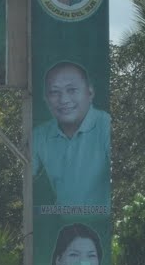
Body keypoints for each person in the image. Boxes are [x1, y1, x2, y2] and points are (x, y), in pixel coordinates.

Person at [31, 60, 111, 208]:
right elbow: (21, 178)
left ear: (90, 93)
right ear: (45, 99)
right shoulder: (39, 135)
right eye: (55, 92)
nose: (64, 100)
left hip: (106, 223)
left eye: (72, 90)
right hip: (60, 224)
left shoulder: (107, 126)